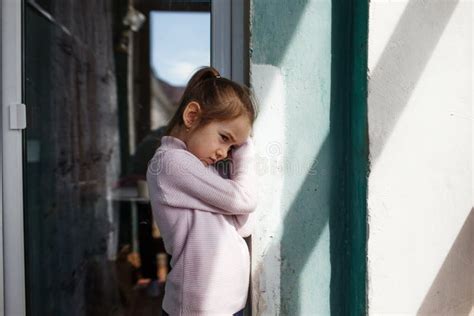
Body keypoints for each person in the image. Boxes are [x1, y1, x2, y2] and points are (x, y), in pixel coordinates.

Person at [146, 66, 258, 316]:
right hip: (198, 308)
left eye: (233, 148)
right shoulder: (170, 163)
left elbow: (243, 225)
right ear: (192, 116)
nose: (224, 153)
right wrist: (247, 149)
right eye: (224, 138)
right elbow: (244, 200)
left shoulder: (203, 168)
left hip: (228, 306)